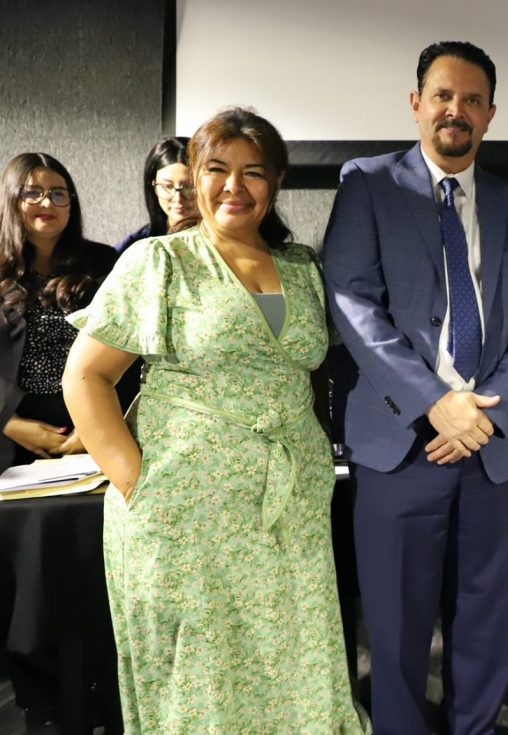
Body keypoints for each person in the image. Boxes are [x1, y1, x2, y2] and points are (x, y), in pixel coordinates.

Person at [62, 108, 369, 735]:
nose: (235, 186)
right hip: (187, 512)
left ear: (275, 181)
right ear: (195, 177)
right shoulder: (159, 262)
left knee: (294, 657)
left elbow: (309, 375)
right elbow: (85, 378)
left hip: (290, 509)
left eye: (253, 171)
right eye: (217, 169)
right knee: (202, 670)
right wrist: (138, 483)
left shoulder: (302, 268)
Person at [322, 41, 508, 735]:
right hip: (401, 441)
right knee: (396, 618)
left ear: (490, 113)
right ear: (416, 103)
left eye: (472, 99)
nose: (457, 110)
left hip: (487, 441)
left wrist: (484, 414)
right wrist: (436, 404)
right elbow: (352, 303)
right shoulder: (368, 183)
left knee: (482, 611)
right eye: (443, 95)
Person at [0, 152, 118, 726]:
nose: (46, 203)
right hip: (12, 443)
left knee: (93, 564)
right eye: (32, 192)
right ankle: (40, 696)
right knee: (26, 576)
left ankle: (102, 691)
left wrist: (94, 432)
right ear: (11, 201)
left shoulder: (104, 264)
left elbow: (132, 353)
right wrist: (9, 421)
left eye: (58, 192)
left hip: (93, 438)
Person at [115, 136, 197, 253]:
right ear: (153, 186)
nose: (178, 198)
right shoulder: (137, 245)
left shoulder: (218, 240)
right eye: (167, 186)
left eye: (189, 187)